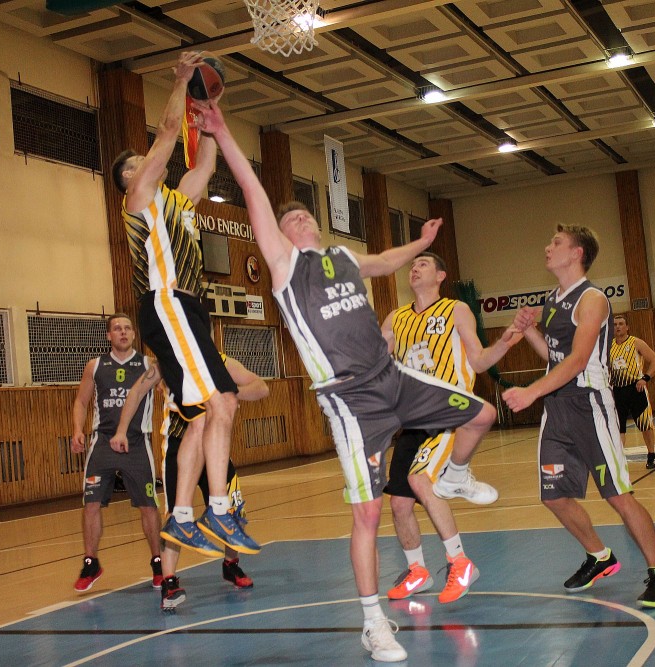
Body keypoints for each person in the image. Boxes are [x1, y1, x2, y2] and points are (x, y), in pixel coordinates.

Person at [200, 101, 497, 663]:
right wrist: (222, 132)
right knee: (368, 513)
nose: (301, 221)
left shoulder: (339, 255)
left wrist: (421, 243)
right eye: (291, 221)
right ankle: (372, 623)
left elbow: (383, 261)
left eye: (305, 216)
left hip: (394, 376)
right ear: (279, 236)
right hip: (350, 399)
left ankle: (456, 476)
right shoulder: (286, 267)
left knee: (481, 413)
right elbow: (255, 194)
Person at [110, 51, 258, 558]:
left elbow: (207, 164)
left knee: (198, 416)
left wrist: (212, 108)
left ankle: (182, 517)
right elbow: (169, 132)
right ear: (129, 180)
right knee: (224, 401)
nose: (144, 163)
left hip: (188, 312)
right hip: (166, 303)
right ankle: (218, 508)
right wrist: (180, 83)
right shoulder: (138, 200)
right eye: (135, 164)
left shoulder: (175, 201)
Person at [502, 225, 655, 609]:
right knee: (554, 495)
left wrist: (532, 391)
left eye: (556, 242)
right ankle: (599, 556)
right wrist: (529, 330)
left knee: (618, 495)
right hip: (557, 409)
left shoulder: (592, 299)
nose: (547, 247)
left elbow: (579, 360)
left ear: (577, 253)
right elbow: (554, 356)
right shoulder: (553, 300)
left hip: (589, 404)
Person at [381, 252, 521, 605]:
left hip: (448, 411)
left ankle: (460, 563)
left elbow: (478, 360)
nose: (414, 268)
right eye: (412, 265)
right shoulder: (396, 318)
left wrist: (504, 342)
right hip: (412, 419)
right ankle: (417, 571)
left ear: (441, 275)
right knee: (399, 503)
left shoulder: (456, 310)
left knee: (420, 481)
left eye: (423, 264)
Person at [113, 354, 269, 610]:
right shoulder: (167, 362)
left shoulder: (219, 361)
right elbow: (136, 392)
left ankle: (231, 565)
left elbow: (261, 387)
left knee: (232, 511)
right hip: (178, 448)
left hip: (213, 448)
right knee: (176, 516)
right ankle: (169, 581)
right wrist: (121, 430)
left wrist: (230, 392)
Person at [70, 314, 161, 593]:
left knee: (148, 505)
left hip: (136, 443)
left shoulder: (148, 365)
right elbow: (81, 401)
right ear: (109, 335)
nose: (123, 332)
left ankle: (158, 563)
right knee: (91, 503)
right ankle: (91, 562)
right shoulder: (95, 366)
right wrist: (77, 429)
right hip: (103, 442)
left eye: (127, 328)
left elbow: (169, 390)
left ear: (134, 334)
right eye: (117, 329)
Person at [609, 314, 655, 469]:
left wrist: (645, 378)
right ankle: (619, 460)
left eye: (621, 324)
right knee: (618, 428)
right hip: (617, 391)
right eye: (615, 324)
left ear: (627, 327)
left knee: (645, 425)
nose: (618, 327)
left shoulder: (636, 342)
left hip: (636, 389)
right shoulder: (609, 346)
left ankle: (651, 454)